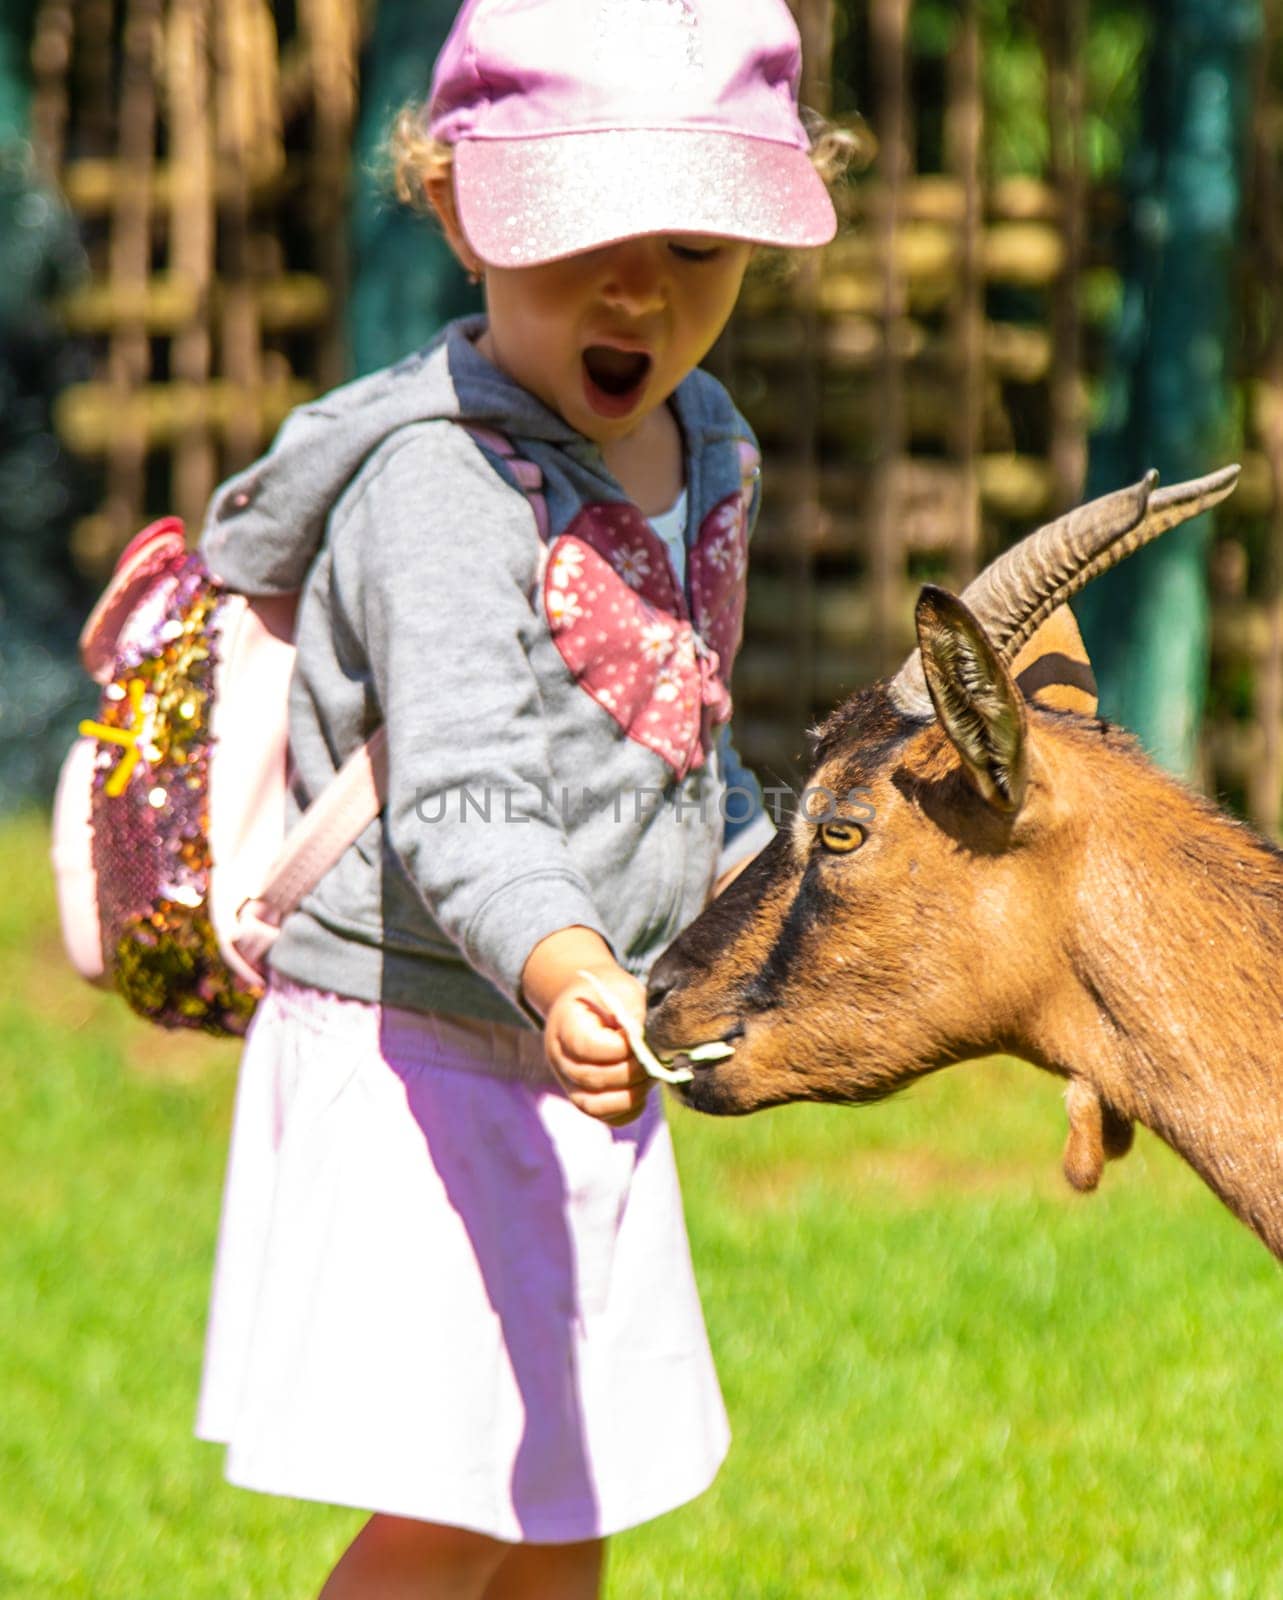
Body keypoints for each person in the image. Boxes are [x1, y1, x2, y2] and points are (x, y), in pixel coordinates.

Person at [195, 1, 845, 1594]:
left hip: (575, 1043)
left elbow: (675, 756)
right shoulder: (440, 483)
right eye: (584, 237)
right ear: (451, 205)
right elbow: (469, 795)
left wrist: (806, 915)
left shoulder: (706, 449)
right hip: (434, 1040)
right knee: (456, 1511)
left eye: (696, 244)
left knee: (570, 1507)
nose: (641, 290)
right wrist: (569, 969)